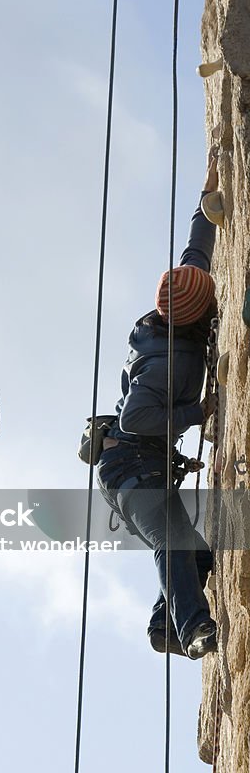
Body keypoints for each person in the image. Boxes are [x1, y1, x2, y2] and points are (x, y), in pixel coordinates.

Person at [96, 147, 219, 660]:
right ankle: (193, 628)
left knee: (201, 557)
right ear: (195, 319)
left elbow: (198, 247)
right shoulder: (168, 363)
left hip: (144, 465)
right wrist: (196, 413)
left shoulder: (177, 304)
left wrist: (208, 192)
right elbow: (132, 417)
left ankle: (162, 625)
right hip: (127, 466)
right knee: (174, 540)